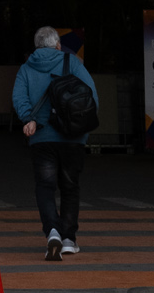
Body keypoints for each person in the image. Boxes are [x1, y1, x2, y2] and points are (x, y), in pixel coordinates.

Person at [12, 26, 99, 260]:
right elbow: (92, 97)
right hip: (73, 138)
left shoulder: (26, 68)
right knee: (70, 187)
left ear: (36, 46)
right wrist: (84, 130)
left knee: (45, 186)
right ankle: (69, 239)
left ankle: (52, 231)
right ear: (58, 45)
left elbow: (19, 97)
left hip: (41, 137)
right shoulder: (73, 63)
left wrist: (28, 118)